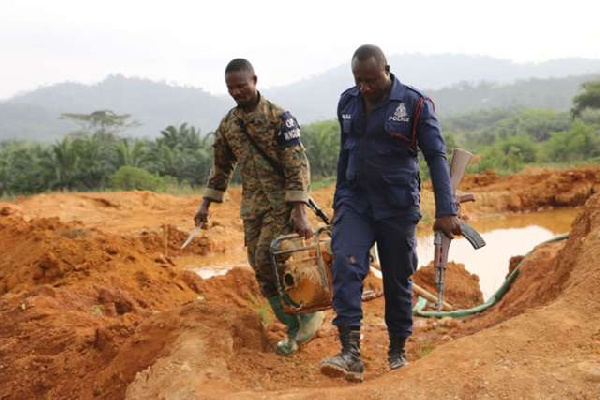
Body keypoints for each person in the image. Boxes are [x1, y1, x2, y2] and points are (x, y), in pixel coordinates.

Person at [320, 45, 461, 382]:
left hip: (397, 204)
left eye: (370, 79)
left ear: (386, 69)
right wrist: (340, 200)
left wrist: (446, 209)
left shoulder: (414, 104)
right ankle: (350, 352)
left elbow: (436, 156)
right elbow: (345, 153)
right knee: (345, 261)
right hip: (356, 200)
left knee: (398, 277)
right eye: (358, 80)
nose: (365, 87)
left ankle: (397, 349)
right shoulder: (348, 101)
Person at [195, 59, 324, 356]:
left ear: (254, 80)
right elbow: (221, 166)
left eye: (242, 85)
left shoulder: (279, 117)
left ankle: (309, 316)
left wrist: (299, 210)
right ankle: (293, 329)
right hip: (253, 206)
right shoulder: (229, 125)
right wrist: (205, 204)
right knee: (259, 266)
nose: (237, 92)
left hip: (283, 203)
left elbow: (296, 164)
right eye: (231, 88)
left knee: (272, 258)